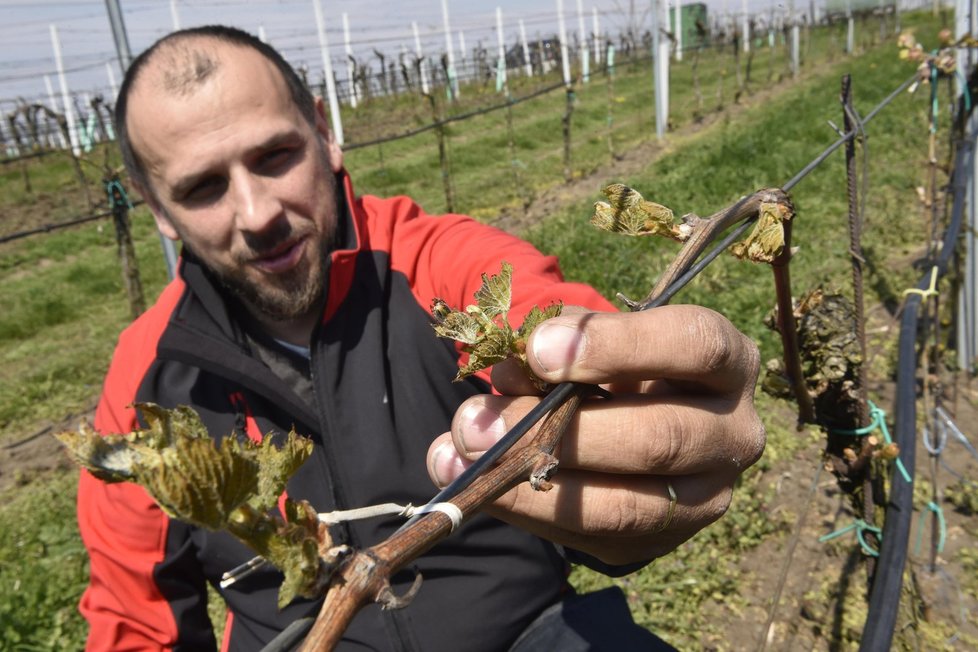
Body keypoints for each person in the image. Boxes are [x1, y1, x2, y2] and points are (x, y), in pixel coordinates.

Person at [76, 25, 764, 652]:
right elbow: (135, 624)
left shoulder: (435, 265)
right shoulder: (146, 382)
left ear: (323, 130)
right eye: (202, 188)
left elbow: (545, 317)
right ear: (158, 210)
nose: (257, 214)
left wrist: (641, 396)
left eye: (276, 155)